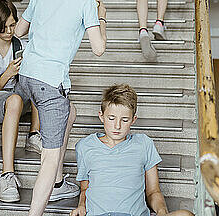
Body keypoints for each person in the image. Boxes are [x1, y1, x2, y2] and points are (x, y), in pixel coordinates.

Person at [14, 0, 107, 216]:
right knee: (49, 156)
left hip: (27, 75)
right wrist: (102, 18)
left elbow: (20, 30)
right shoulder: (87, 2)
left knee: (71, 111)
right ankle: (40, 205)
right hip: (49, 83)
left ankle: (57, 181)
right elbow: (99, 48)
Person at [71, 84, 194, 216]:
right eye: (111, 118)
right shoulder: (85, 146)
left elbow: (153, 191)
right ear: (101, 116)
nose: (117, 126)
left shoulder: (144, 144)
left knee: (186, 214)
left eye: (124, 120)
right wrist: (81, 206)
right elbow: (85, 188)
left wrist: (162, 211)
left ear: (133, 120)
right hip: (99, 214)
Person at [0, 0, 43, 203]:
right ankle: (7, 174)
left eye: (13, 25)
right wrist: (7, 74)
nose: (9, 31)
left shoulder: (19, 44)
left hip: (16, 97)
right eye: (3, 28)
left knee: (38, 79)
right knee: (13, 99)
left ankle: (34, 134)